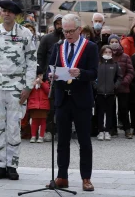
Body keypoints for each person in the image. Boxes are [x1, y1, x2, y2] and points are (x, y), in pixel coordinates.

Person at [0, 0, 36, 181]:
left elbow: (31, 62)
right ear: (0, 13)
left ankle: (12, 165)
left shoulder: (25, 34)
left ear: (15, 14)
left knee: (13, 127)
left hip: (16, 88)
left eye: (10, 12)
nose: (6, 14)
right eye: (3, 11)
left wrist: (28, 87)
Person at [47, 14, 97, 192]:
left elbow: (94, 73)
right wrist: (50, 75)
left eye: (70, 31)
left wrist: (81, 73)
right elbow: (49, 67)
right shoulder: (58, 46)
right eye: (64, 31)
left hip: (81, 99)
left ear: (79, 30)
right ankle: (62, 176)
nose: (67, 34)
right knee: (62, 140)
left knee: (84, 140)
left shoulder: (90, 47)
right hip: (62, 98)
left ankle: (86, 178)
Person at [95, 46, 122, 141]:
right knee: (100, 112)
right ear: (102, 53)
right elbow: (93, 77)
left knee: (110, 112)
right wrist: (96, 86)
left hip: (111, 92)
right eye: (105, 52)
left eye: (109, 52)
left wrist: (115, 86)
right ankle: (100, 131)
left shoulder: (115, 64)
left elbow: (119, 77)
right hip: (100, 92)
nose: (107, 54)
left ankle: (107, 131)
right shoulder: (97, 64)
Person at [111, 35, 135, 138]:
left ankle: (127, 129)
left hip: (123, 86)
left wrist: (125, 81)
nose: (114, 43)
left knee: (124, 108)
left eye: (116, 41)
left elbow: (130, 72)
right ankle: (112, 129)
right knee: (111, 108)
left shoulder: (125, 56)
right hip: (110, 87)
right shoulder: (106, 56)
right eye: (111, 42)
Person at [27, 67, 50, 143]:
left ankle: (41, 136)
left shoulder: (45, 83)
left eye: (41, 75)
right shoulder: (32, 84)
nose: (39, 77)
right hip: (34, 105)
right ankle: (33, 136)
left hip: (43, 105)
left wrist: (42, 83)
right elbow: (28, 92)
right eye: (37, 76)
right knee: (34, 121)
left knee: (43, 122)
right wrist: (33, 85)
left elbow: (48, 91)